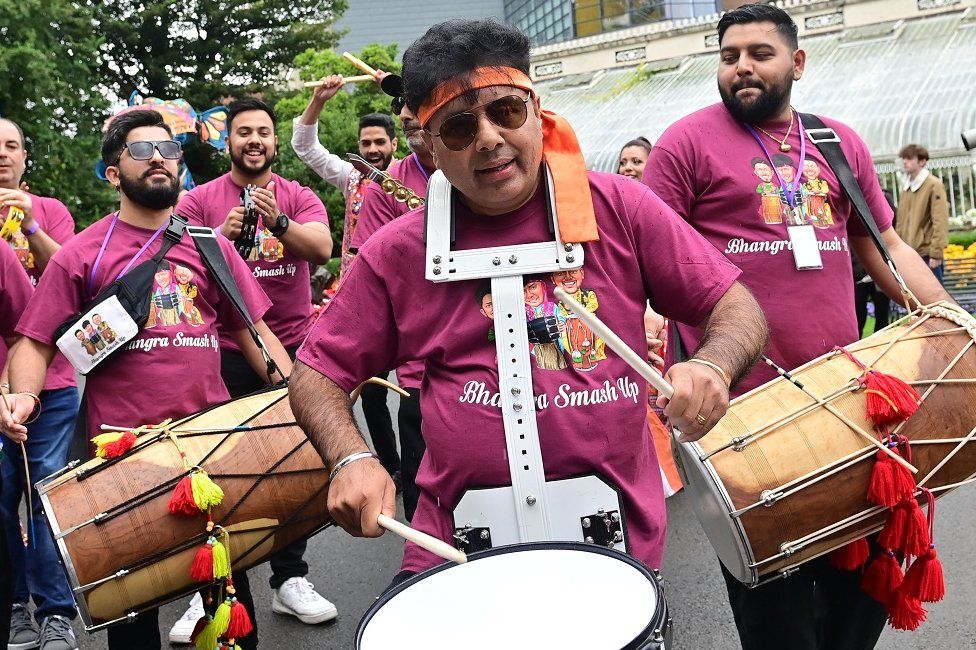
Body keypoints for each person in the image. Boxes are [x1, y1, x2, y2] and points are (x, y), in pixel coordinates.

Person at [289, 18, 768, 587]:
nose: (489, 137)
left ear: (536, 110)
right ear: (431, 148)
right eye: (460, 127)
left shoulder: (622, 209)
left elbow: (736, 306)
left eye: (506, 112)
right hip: (454, 554)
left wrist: (712, 365)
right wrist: (351, 457)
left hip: (618, 552)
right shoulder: (397, 252)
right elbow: (317, 372)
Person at [642, 5, 954, 649]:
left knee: (856, 614)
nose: (742, 67)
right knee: (778, 627)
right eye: (729, 57)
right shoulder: (684, 143)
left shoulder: (838, 144)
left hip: (852, 408)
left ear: (797, 63)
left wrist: (955, 326)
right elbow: (648, 260)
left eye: (760, 53)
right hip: (745, 419)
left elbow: (886, 246)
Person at [0, 109, 293, 650]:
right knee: (135, 614)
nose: (159, 157)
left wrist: (298, 395)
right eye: (140, 151)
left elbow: (254, 332)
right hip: (121, 456)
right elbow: (36, 341)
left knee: (227, 596)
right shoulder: (81, 255)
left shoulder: (210, 244)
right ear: (113, 173)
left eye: (168, 149)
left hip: (210, 444)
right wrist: (23, 397)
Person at [175, 98, 337, 633]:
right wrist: (222, 232)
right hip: (215, 350)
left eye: (263, 132)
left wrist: (278, 221)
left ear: (273, 141)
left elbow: (322, 248)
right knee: (213, 468)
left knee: (289, 463)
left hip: (287, 348)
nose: (254, 140)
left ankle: (289, 578)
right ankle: (209, 590)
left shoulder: (297, 193)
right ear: (229, 141)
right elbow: (172, 261)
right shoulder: (199, 199)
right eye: (243, 131)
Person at [291, 79, 404, 493]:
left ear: (394, 142)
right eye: (365, 142)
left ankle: (421, 465)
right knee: (371, 389)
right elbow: (305, 147)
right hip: (364, 296)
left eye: (379, 142)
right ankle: (389, 466)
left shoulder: (409, 178)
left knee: (415, 389)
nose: (372, 150)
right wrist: (318, 101)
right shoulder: (350, 177)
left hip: (407, 296)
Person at [0, 117, 80, 650]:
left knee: (46, 488)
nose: (2, 154)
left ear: (27, 156)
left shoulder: (50, 211)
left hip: (53, 379)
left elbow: (74, 283)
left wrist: (30, 227)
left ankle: (55, 610)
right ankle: (13, 604)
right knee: (3, 494)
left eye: (11, 146)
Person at [346, 74, 438, 521]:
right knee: (425, 494)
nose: (405, 114)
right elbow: (379, 266)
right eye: (402, 106)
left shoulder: (491, 166)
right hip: (422, 364)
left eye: (415, 103)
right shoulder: (386, 185)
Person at [896, 143, 949, 282]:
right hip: (908, 254)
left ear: (922, 161)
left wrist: (936, 253)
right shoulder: (906, 187)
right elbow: (901, 223)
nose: (905, 161)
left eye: (909, 158)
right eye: (903, 158)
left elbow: (940, 220)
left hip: (926, 254)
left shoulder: (934, 184)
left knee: (935, 301)